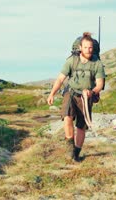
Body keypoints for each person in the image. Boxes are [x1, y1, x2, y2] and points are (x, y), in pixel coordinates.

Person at [47, 32, 105, 162]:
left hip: (86, 97)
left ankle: (76, 153)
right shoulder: (72, 61)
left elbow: (100, 84)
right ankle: (70, 147)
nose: (88, 50)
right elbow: (60, 79)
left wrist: (92, 91)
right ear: (80, 48)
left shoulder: (97, 63)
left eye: (90, 48)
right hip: (71, 93)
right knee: (67, 117)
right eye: (85, 47)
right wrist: (52, 94)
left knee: (81, 126)